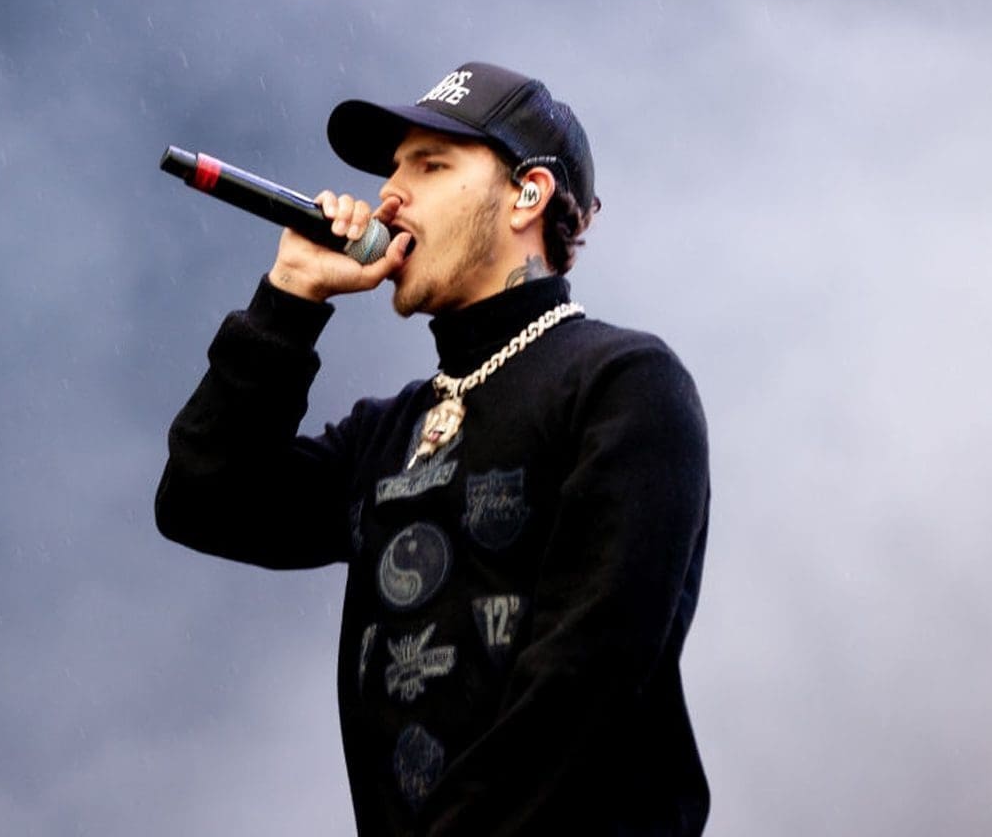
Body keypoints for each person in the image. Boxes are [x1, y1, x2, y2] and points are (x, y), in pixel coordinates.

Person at [155, 61, 711, 835]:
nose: (389, 194)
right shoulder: (385, 435)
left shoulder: (623, 383)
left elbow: (586, 674)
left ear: (528, 194)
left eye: (431, 165)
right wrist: (289, 298)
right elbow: (204, 500)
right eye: (393, 169)